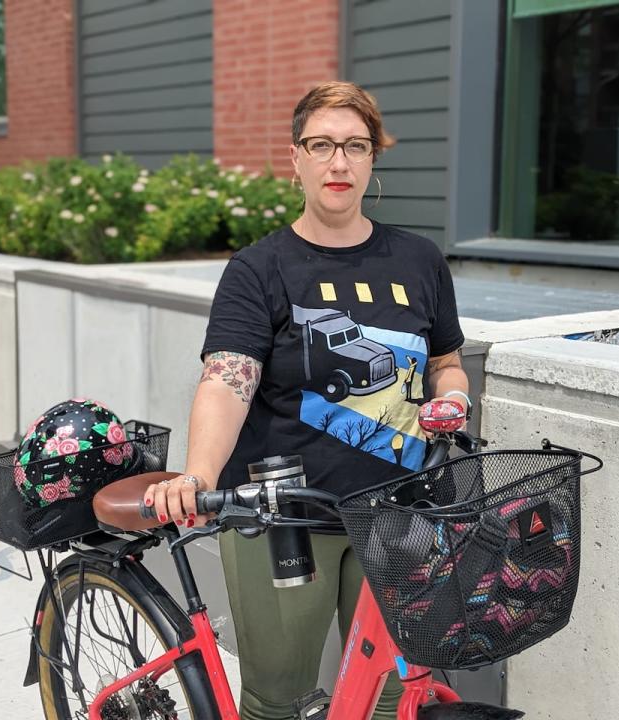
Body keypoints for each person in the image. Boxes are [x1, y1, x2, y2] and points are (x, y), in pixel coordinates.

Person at [143, 81, 469, 720]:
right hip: (283, 520)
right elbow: (227, 379)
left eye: (355, 145)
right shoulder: (260, 268)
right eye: (322, 145)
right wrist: (200, 473)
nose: (338, 162)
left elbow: (446, 365)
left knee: (395, 697)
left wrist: (452, 401)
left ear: (374, 158)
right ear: (296, 159)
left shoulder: (420, 260)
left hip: (400, 511)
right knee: (282, 701)